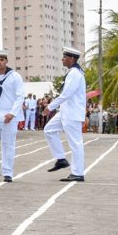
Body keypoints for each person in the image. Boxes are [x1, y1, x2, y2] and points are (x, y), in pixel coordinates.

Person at [44, 47, 87, 182]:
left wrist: (50, 106)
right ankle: (61, 159)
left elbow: (67, 94)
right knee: (49, 130)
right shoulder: (72, 72)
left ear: (72, 59)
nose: (62, 59)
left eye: (64, 57)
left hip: (72, 113)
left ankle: (78, 173)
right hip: (65, 111)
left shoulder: (75, 73)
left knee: (75, 143)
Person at [0, 50, 26, 183]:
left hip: (9, 115)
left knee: (8, 144)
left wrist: (12, 113)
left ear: (6, 61)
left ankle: (8, 172)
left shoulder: (14, 76)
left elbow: (20, 95)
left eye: (2, 59)